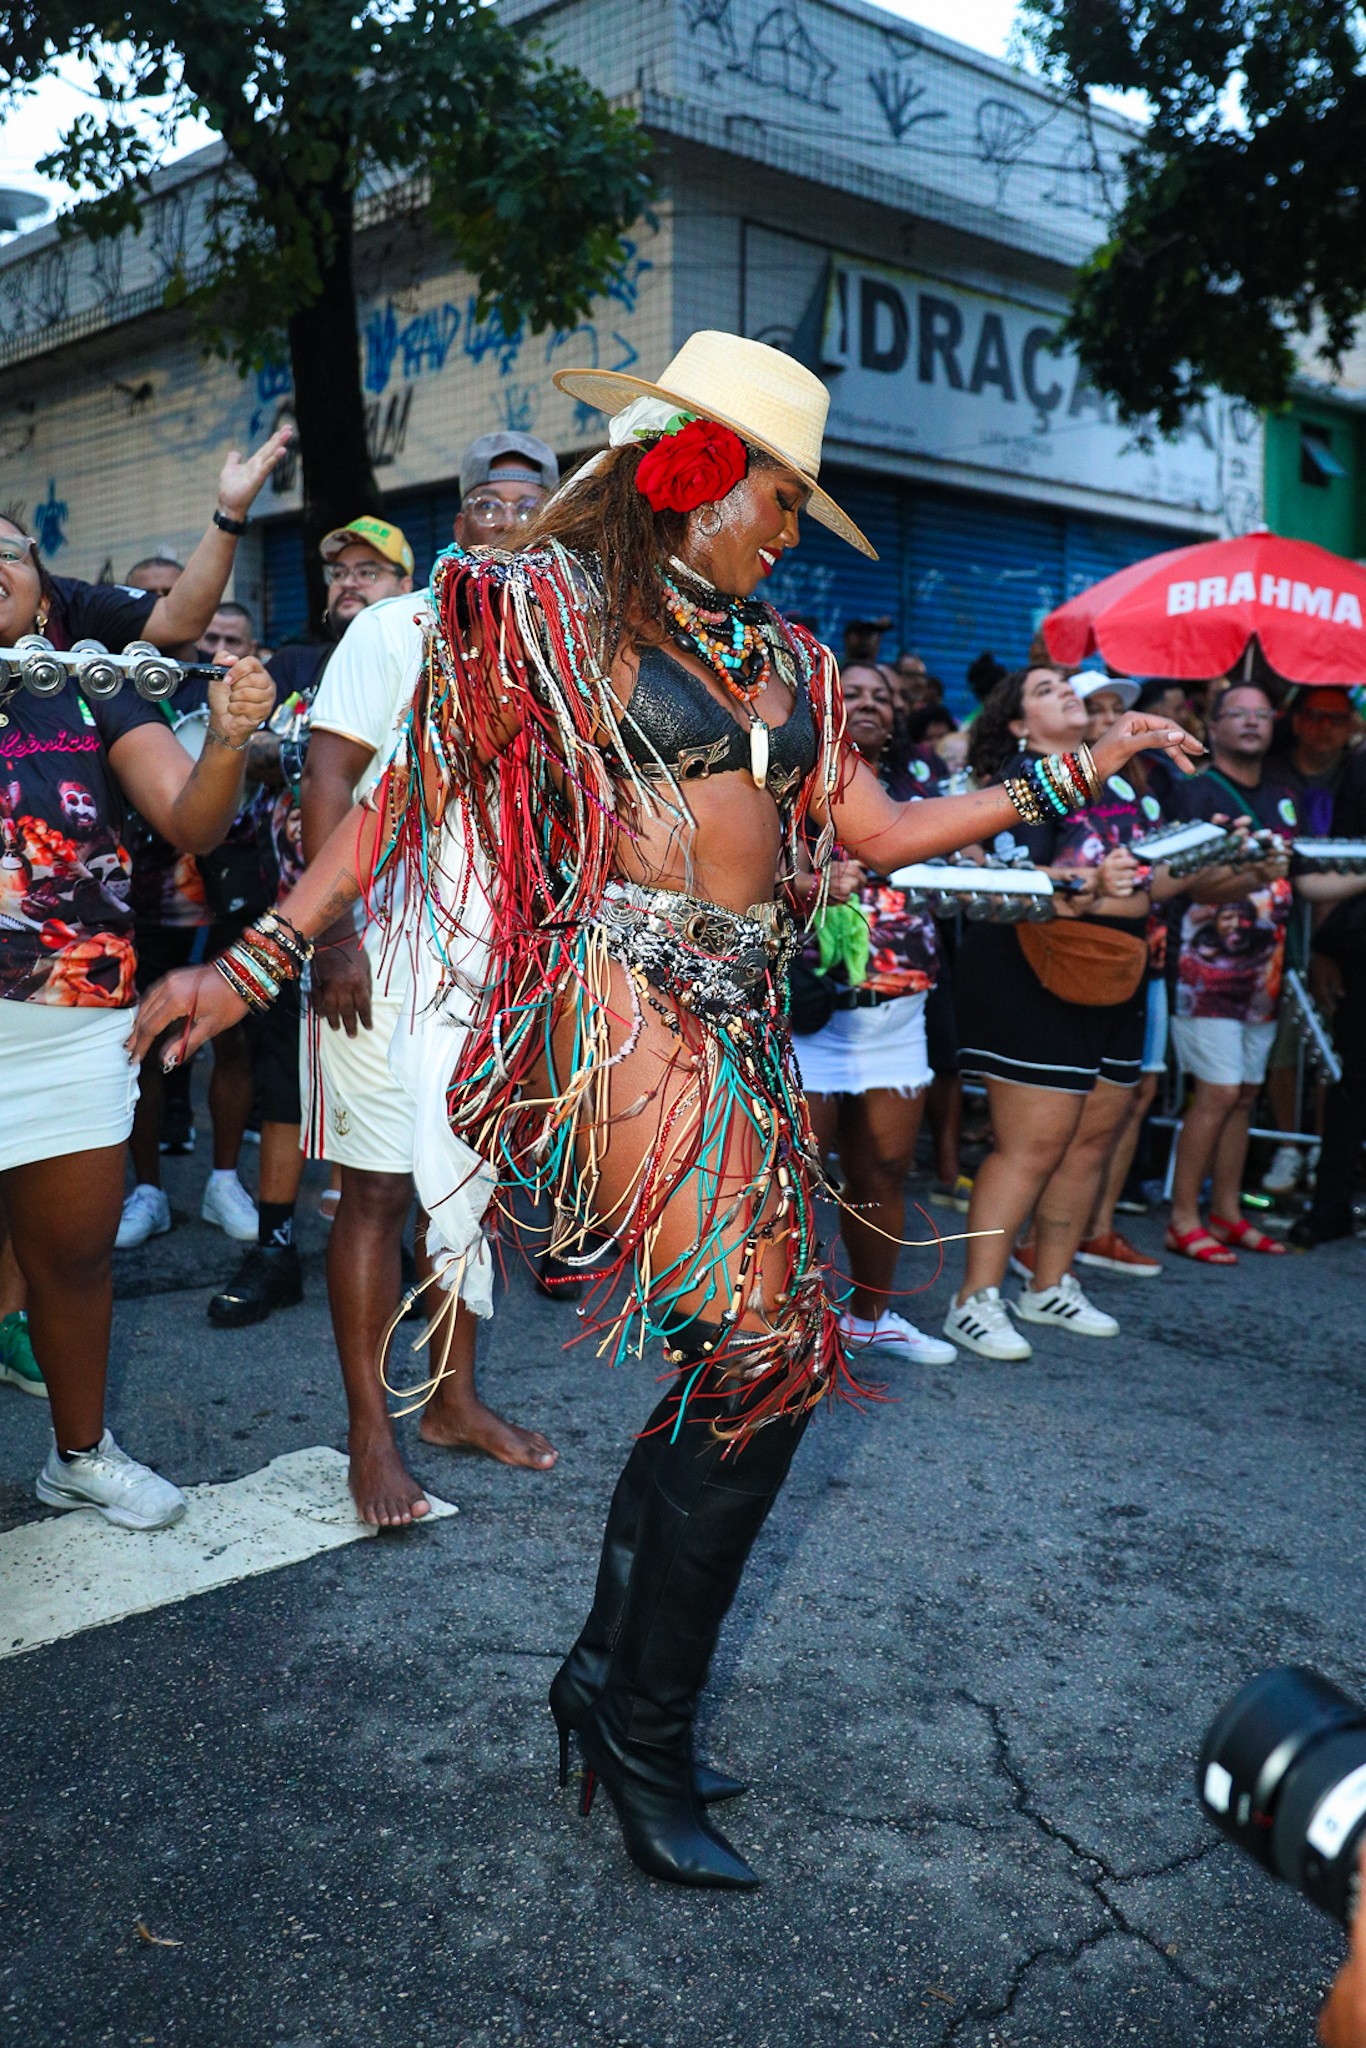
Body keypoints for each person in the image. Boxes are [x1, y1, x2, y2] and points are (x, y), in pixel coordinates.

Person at [132, 331, 1198, 1886]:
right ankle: (639, 1729)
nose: (789, 530)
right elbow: (408, 795)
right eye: (780, 497)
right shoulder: (542, 613)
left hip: (744, 1012)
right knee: (764, 1356)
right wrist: (253, 963)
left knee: (755, 1363)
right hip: (616, 996)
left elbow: (877, 830)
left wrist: (1068, 774)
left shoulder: (788, 657)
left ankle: (610, 1681)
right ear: (696, 473)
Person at [296, 445, 563, 1524]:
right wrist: (334, 935)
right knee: (375, 1189)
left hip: (499, 957)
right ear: (458, 524)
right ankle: (371, 1432)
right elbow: (327, 775)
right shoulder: (393, 626)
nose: (504, 518)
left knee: (470, 1186)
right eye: (484, 502)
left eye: (528, 504)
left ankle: (452, 1402)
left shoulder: (563, 644)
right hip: (381, 945)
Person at [0, 507, 276, 1528]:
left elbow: (191, 819)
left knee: (72, 1260)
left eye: (6, 549)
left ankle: (78, 1455)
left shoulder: (90, 679)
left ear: (43, 581)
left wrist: (230, 739)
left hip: (72, 1024)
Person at [204, 515, 419, 1346]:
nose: (350, 583)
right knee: (280, 1084)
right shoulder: (294, 662)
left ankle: (395, 1250)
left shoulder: (421, 651)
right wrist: (283, 752)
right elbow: (251, 747)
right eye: (340, 571)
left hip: (397, 920)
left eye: (371, 570)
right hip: (284, 907)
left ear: (405, 586)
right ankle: (275, 1246)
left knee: (398, 1087)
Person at [944, 666, 1165, 1359]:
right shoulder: (1022, 782)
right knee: (1030, 1146)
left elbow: (1151, 872)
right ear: (1017, 725)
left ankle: (1049, 1282)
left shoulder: (1118, 781)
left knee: (1090, 1141)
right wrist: (1091, 883)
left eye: (1067, 685)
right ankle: (974, 1299)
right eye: (1045, 690)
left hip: (1117, 969)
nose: (1068, 691)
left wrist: (1210, 856)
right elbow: (1008, 880)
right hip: (1031, 970)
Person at [1164, 682, 1366, 1261]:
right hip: (1204, 970)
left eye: (1261, 714)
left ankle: (1227, 1213)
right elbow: (1180, 882)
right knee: (1218, 1091)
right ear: (1213, 726)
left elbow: (1303, 881)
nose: (1252, 722)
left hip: (1264, 974)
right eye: (1238, 714)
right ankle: (1183, 1218)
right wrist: (1252, 872)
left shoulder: (1283, 796)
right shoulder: (1194, 792)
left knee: (1245, 1094)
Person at [797, 663, 957, 1366]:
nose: (867, 704)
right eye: (851, 692)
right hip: (810, 1010)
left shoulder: (925, 784)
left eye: (881, 696)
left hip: (899, 1008)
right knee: (796, 1174)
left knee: (884, 1171)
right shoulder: (792, 775)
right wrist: (811, 881)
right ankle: (782, 1322)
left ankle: (868, 1317)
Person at [117, 599, 268, 1251]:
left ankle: (224, 1182)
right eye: (210, 636)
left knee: (232, 1046)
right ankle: (148, 1192)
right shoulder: (134, 696)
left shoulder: (253, 698)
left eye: (233, 638)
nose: (216, 648)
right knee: (145, 1047)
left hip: (231, 904)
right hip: (147, 905)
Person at [1261, 686, 1357, 1196]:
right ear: (1297, 721)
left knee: (1328, 1034)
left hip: (1336, 922)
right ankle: (1286, 1145)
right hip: (1272, 922)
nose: (1326, 728)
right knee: (1282, 1037)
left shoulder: (1355, 772)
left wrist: (1327, 944)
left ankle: (1324, 1144)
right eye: (1316, 716)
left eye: (1337, 719)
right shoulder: (1271, 771)